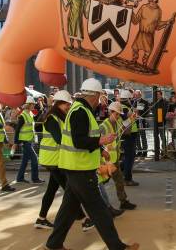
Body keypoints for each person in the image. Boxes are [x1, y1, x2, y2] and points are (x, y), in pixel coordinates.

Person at [45, 78, 139, 250]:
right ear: (94, 95)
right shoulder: (81, 111)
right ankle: (118, 247)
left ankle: (53, 244)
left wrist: (100, 147)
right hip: (80, 169)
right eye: (100, 96)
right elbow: (79, 141)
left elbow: (83, 138)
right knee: (99, 210)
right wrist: (100, 141)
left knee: (68, 210)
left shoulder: (80, 110)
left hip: (75, 168)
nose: (100, 100)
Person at [35, 90, 88, 230]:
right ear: (58, 104)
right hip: (53, 161)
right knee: (71, 190)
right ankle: (83, 219)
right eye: (66, 104)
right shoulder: (52, 118)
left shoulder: (59, 117)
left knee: (52, 190)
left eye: (69, 104)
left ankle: (41, 218)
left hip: (55, 160)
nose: (68, 107)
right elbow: (59, 139)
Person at [15, 96, 43, 184]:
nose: (34, 105)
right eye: (33, 104)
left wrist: (41, 109)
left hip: (29, 141)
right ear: (28, 105)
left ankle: (20, 178)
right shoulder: (23, 116)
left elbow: (36, 118)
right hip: (25, 141)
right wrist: (16, 142)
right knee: (35, 159)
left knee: (25, 160)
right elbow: (17, 129)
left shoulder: (30, 113)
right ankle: (35, 179)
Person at [118, 90, 139, 186]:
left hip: (128, 135)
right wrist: (132, 117)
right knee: (129, 157)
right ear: (128, 99)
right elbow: (125, 123)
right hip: (129, 135)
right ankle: (127, 178)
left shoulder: (123, 107)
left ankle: (121, 170)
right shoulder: (125, 108)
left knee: (128, 156)